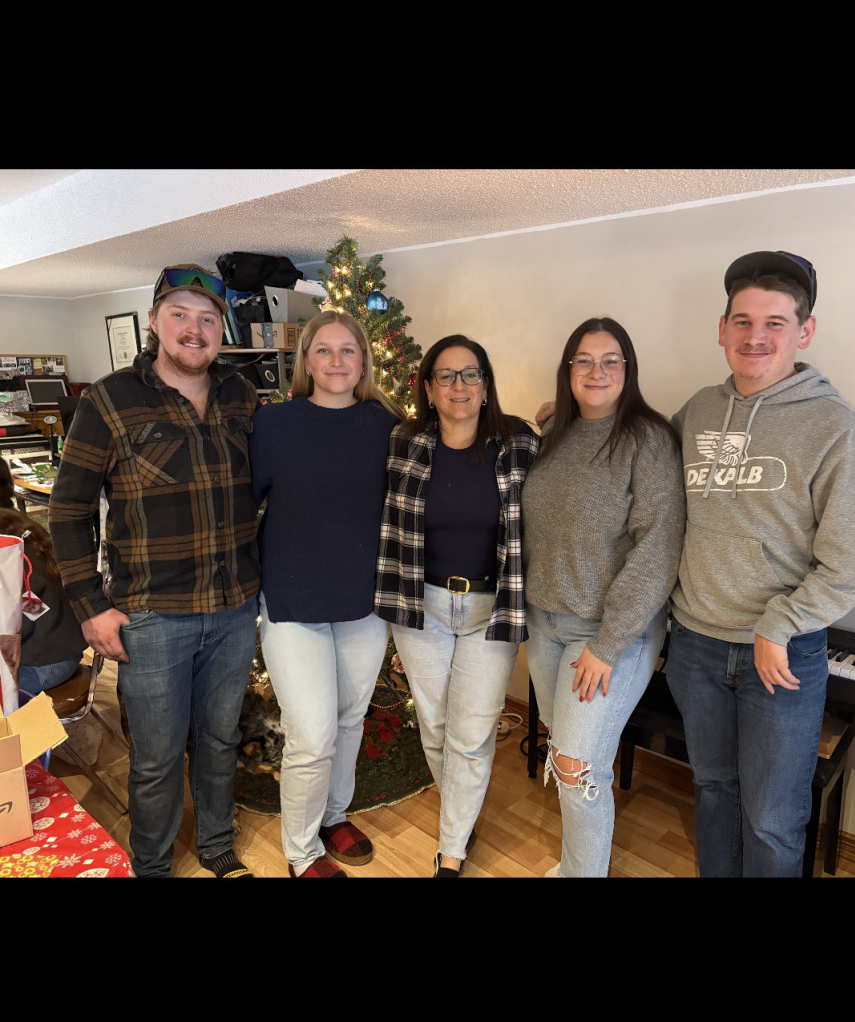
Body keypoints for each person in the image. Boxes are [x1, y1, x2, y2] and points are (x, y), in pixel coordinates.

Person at [665, 250, 855, 878]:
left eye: (775, 323)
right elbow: (641, 463)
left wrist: (779, 624)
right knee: (712, 790)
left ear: (805, 331)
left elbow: (851, 568)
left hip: (779, 657)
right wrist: (576, 422)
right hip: (695, 646)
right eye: (742, 321)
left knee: (772, 820)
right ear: (722, 328)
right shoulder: (697, 411)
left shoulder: (839, 428)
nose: (755, 337)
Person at [48, 264, 261, 880]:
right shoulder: (109, 399)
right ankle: (153, 864)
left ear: (221, 327)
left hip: (235, 608)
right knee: (156, 757)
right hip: (151, 616)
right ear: (154, 321)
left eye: (207, 318)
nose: (194, 329)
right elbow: (69, 509)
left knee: (220, 741)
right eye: (180, 315)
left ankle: (216, 843)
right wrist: (90, 605)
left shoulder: (243, 396)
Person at [524, 318, 685, 879]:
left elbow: (659, 548)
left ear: (628, 369)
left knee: (575, 765)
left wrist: (609, 642)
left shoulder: (649, 440)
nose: (597, 371)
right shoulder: (553, 434)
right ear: (568, 369)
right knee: (568, 755)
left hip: (606, 635)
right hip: (543, 625)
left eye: (611, 360)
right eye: (584, 360)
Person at [375, 336, 540, 877]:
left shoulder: (519, 442)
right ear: (428, 387)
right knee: (435, 725)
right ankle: (460, 818)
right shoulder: (403, 442)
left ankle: (451, 851)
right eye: (445, 376)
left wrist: (561, 415)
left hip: (492, 608)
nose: (459, 386)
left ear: (486, 385)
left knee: (470, 736)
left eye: (471, 374)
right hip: (421, 603)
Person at [250, 311, 398, 879]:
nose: (337, 361)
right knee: (311, 735)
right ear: (306, 361)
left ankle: (335, 815)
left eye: (348, 350)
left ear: (363, 361)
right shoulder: (274, 423)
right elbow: (244, 506)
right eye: (324, 350)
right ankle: (301, 851)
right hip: (292, 602)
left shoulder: (386, 425)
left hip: (363, 601)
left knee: (349, 718)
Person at [0, 507, 84, 696]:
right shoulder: (24, 536)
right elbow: (34, 611)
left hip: (45, 664)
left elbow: (21, 623)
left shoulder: (11, 561)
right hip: (62, 653)